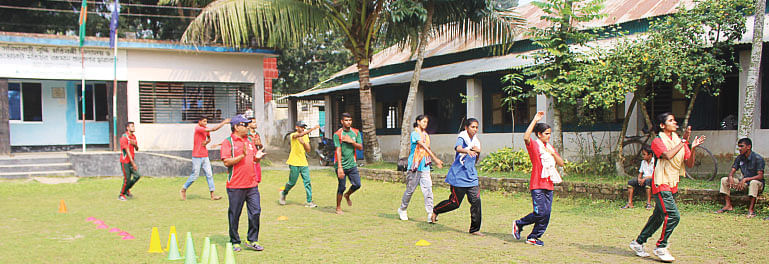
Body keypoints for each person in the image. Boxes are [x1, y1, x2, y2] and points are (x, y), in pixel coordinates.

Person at [628, 112, 706, 262]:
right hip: (660, 182)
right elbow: (667, 155)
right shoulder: (658, 141)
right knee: (673, 215)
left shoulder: (678, 141)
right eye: (671, 121)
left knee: (658, 217)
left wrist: (693, 147)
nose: (675, 123)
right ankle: (661, 246)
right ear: (663, 125)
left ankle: (638, 243)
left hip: (672, 183)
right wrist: (684, 140)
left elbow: (689, 163)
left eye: (675, 120)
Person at [512, 112, 565, 246]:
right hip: (537, 184)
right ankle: (519, 223)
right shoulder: (535, 146)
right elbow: (526, 137)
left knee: (546, 214)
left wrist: (552, 153)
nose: (548, 136)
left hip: (549, 184)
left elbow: (561, 163)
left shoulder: (549, 148)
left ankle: (533, 237)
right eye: (546, 133)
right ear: (539, 134)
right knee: (539, 212)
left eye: (549, 134)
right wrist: (535, 120)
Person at [221, 114, 266, 252]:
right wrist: (241, 156)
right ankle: (235, 241)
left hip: (252, 184)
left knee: (256, 212)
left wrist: (257, 158)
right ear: (236, 127)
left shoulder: (250, 140)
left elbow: (252, 160)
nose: (248, 127)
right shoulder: (228, 142)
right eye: (245, 125)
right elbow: (226, 162)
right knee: (235, 214)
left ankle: (252, 239)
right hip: (235, 185)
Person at [431, 118, 484, 236]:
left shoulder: (476, 141)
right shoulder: (462, 137)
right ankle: (436, 210)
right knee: (454, 203)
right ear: (466, 128)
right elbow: (458, 148)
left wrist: (477, 152)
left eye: (476, 127)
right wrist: (467, 150)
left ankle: (475, 229)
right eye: (472, 127)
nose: (475, 129)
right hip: (458, 176)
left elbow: (476, 158)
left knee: (476, 202)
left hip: (471, 176)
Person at [397, 115, 443, 222]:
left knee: (428, 190)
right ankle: (402, 209)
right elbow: (423, 147)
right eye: (423, 121)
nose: (425, 124)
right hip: (414, 166)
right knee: (410, 190)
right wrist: (435, 159)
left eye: (426, 122)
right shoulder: (414, 134)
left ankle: (430, 213)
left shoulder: (426, 135)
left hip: (425, 167)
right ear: (418, 122)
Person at [181, 116, 230, 201]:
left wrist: (207, 142)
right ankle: (184, 189)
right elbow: (214, 129)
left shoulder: (205, 129)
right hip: (197, 156)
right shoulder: (198, 128)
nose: (205, 123)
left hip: (205, 155)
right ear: (199, 122)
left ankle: (212, 195)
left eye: (206, 121)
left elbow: (209, 138)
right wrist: (224, 123)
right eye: (204, 121)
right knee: (195, 175)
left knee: (209, 174)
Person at [715, 138, 764, 217]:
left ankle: (751, 210)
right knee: (724, 180)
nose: (739, 149)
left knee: (753, 182)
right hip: (744, 183)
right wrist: (730, 177)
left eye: (742, 146)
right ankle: (728, 205)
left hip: (757, 184)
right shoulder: (739, 158)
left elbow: (760, 176)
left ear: (748, 147)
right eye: (739, 147)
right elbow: (732, 171)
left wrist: (746, 179)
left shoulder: (758, 158)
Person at [280, 121, 320, 208]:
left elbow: (308, 150)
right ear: (296, 127)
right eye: (301, 127)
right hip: (294, 162)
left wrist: (304, 143)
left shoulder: (305, 136)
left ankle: (309, 201)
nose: (302, 129)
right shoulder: (292, 135)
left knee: (307, 182)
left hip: (303, 162)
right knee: (292, 182)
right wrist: (312, 129)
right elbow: (297, 136)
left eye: (304, 127)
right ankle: (284, 193)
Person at [334, 113, 363, 215]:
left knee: (357, 184)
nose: (348, 122)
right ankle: (338, 207)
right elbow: (338, 150)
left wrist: (351, 142)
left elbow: (360, 147)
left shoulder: (356, 132)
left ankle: (347, 195)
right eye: (346, 120)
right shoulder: (337, 134)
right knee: (341, 187)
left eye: (350, 120)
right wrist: (340, 168)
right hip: (341, 165)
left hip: (352, 165)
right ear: (342, 121)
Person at [622, 145, 655, 209]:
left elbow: (655, 175)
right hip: (643, 179)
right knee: (631, 182)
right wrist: (639, 178)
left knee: (648, 182)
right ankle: (630, 202)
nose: (643, 156)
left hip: (651, 179)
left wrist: (644, 178)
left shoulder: (654, 162)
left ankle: (648, 203)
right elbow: (640, 173)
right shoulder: (643, 162)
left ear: (650, 155)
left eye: (644, 154)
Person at [118, 122, 140, 201]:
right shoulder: (124, 137)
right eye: (132, 126)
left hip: (131, 160)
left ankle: (126, 190)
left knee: (137, 175)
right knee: (127, 178)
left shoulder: (133, 137)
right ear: (127, 128)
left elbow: (137, 149)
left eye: (134, 126)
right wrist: (133, 163)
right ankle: (121, 195)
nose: (134, 128)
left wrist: (134, 144)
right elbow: (127, 151)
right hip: (125, 161)